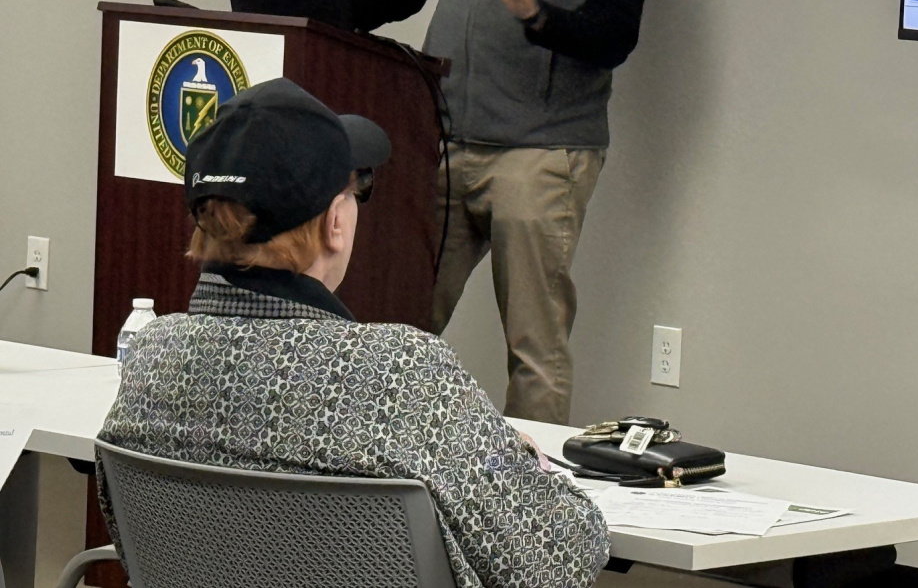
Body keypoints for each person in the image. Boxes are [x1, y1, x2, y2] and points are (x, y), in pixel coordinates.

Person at [97, 78, 609, 588]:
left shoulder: (149, 358)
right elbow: (560, 558)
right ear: (334, 223)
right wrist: (514, 458)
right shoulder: (403, 373)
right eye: (357, 190)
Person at [348, 0, 656, 423]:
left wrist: (533, 12)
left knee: (534, 346)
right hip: (446, 138)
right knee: (394, 326)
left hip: (543, 150)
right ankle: (381, 481)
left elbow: (616, 35)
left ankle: (533, 510)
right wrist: (311, 15)